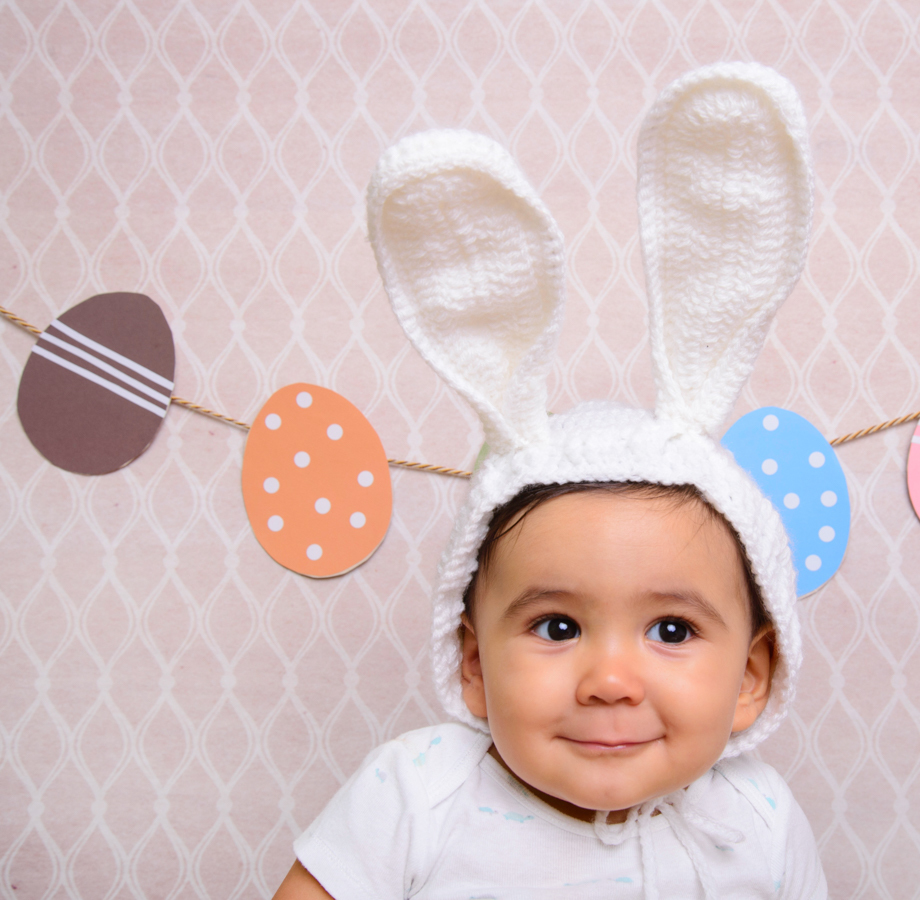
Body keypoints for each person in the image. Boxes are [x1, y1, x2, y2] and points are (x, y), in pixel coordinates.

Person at [274, 61, 828, 898]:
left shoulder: (759, 822)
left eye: (673, 631)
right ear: (472, 661)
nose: (609, 680)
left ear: (751, 677)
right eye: (558, 627)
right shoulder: (418, 795)